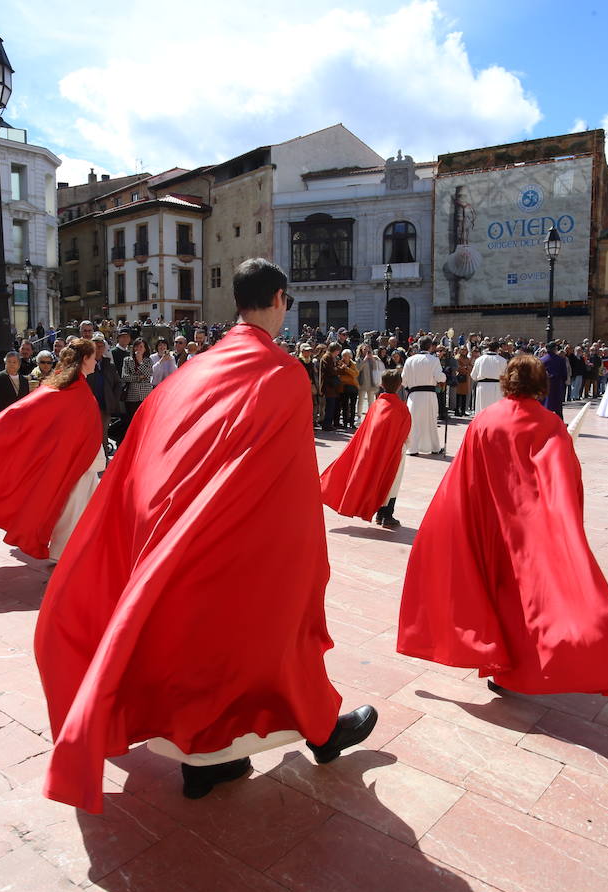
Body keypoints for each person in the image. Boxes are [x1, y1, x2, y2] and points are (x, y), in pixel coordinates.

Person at [34, 258, 377, 812]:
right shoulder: (283, 374)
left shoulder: (193, 370)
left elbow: (148, 449)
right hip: (247, 540)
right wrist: (305, 555)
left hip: (179, 538)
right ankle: (320, 733)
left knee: (195, 649)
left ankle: (204, 765)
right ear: (281, 300)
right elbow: (289, 483)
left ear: (236, 303)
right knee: (275, 639)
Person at [396, 355, 608, 695]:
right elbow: (565, 479)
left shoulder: (484, 420)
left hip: (487, 522)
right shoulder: (550, 424)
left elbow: (461, 478)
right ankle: (519, 669)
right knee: (522, 600)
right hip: (528, 529)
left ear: (506, 381)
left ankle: (496, 665)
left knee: (490, 592)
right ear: (541, 384)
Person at [0, 338, 105, 561]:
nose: (95, 361)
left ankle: (73, 549)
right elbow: (21, 414)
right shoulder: (69, 389)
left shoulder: (65, 387)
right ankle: (65, 552)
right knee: (74, 506)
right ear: (84, 359)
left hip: (78, 458)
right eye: (92, 357)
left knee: (79, 505)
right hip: (73, 460)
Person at [319, 369, 411, 528]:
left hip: (374, 451)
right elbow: (406, 433)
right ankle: (387, 514)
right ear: (400, 385)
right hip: (395, 451)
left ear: (381, 384)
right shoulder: (401, 408)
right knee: (392, 481)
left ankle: (380, 513)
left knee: (377, 477)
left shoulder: (376, 405)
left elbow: (367, 430)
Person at [402, 336, 445, 454]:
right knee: (431, 421)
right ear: (431, 346)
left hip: (414, 395)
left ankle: (412, 448)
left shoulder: (409, 360)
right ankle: (434, 447)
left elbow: (403, 380)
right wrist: (445, 375)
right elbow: (439, 377)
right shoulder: (434, 360)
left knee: (414, 422)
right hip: (429, 395)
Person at [120, 337, 154, 431]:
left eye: (141, 347)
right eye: (136, 346)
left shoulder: (148, 361)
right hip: (132, 396)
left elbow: (148, 375)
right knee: (132, 422)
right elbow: (125, 377)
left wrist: (140, 361)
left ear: (145, 348)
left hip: (145, 396)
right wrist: (139, 377)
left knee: (145, 422)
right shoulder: (127, 360)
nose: (138, 349)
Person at [471, 342, 508, 413]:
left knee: (482, 410)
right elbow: (506, 376)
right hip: (497, 388)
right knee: (496, 411)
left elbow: (473, 376)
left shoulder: (479, 360)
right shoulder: (502, 360)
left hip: (482, 387)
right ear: (498, 349)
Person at [540, 342, 569, 418]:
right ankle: (560, 424)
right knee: (558, 407)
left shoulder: (541, 360)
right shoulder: (560, 360)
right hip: (557, 386)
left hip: (545, 386)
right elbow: (564, 374)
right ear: (555, 349)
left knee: (545, 405)